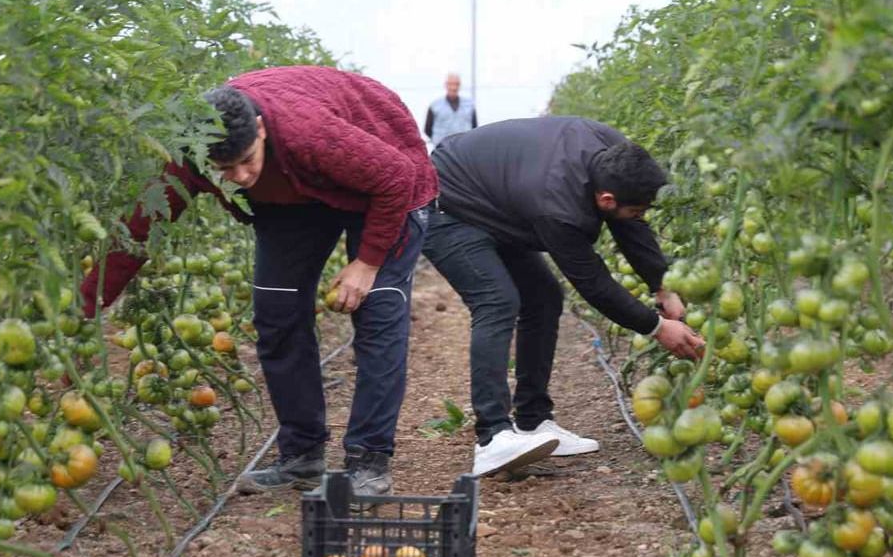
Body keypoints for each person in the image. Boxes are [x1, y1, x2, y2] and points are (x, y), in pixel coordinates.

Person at [80, 66, 437, 497]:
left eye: (247, 160)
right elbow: (142, 226)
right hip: (294, 197)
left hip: (384, 180)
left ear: (261, 129)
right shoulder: (193, 151)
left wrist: (367, 262)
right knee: (277, 313)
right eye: (224, 170)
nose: (241, 177)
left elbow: (395, 175)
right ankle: (302, 456)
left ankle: (369, 462)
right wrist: (86, 306)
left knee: (377, 311)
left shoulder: (309, 133)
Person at [422, 116, 705, 477]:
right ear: (606, 199)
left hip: (495, 201)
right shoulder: (557, 206)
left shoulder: (615, 152)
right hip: (444, 207)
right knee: (497, 301)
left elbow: (630, 223)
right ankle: (492, 438)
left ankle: (532, 421)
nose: (640, 215)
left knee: (544, 299)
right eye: (636, 208)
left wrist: (662, 286)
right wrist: (656, 327)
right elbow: (593, 283)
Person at [422, 73, 477, 151]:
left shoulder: (469, 105)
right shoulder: (435, 106)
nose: (453, 87)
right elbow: (427, 129)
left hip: (463, 150)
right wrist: (438, 141)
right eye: (450, 84)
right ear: (445, 85)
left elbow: (474, 127)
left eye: (456, 84)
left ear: (460, 85)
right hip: (442, 150)